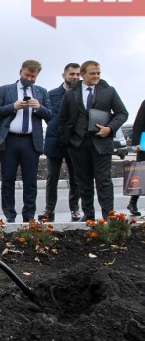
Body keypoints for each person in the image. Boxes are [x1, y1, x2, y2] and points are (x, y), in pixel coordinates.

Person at [59, 61, 128, 221]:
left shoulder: (109, 91)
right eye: (92, 73)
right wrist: (67, 140)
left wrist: (109, 129)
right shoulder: (70, 93)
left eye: (98, 73)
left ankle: (108, 216)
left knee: (103, 181)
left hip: (102, 144)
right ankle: (88, 216)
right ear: (82, 74)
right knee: (83, 182)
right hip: (78, 145)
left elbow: (122, 113)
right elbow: (63, 119)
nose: (96, 76)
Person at [0, 60, 53, 223]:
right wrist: (13, 106)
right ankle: (9, 215)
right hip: (9, 140)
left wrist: (38, 107)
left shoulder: (41, 92)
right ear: (20, 72)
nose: (30, 79)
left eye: (34, 76)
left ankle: (29, 215)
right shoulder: (6, 90)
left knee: (30, 180)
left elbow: (51, 115)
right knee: (8, 179)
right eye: (27, 75)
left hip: (31, 142)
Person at [38, 63, 82, 222]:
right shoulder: (52, 94)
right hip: (54, 141)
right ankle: (49, 208)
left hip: (74, 142)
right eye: (72, 74)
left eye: (78, 74)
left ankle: (75, 209)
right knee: (52, 177)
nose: (75, 77)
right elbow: (47, 115)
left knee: (75, 178)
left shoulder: (82, 93)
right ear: (64, 75)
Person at [128, 100, 145, 215]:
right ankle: (133, 202)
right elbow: (138, 123)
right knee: (141, 174)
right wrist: (135, 144)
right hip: (144, 145)